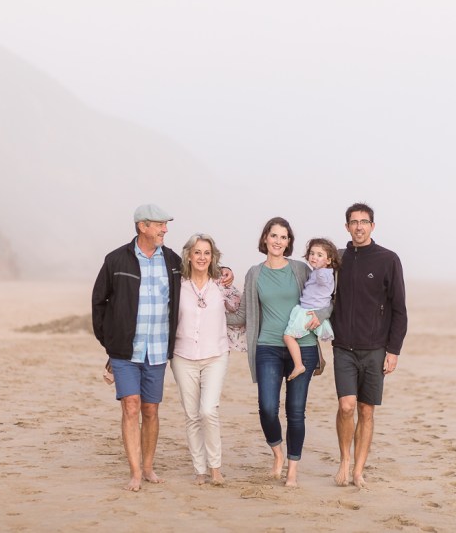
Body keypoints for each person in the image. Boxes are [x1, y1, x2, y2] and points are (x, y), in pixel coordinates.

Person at [92, 204, 233, 491]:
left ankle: (148, 467)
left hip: (157, 350)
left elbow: (200, 272)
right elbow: (99, 302)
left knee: (150, 409)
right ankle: (135, 472)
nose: (165, 230)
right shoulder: (116, 260)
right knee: (131, 406)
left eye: (165, 225)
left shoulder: (171, 262)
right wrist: (111, 342)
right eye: (160, 225)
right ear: (142, 226)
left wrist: (225, 271)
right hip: (125, 352)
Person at [230, 217, 332, 487]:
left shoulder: (300, 269)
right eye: (274, 235)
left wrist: (321, 316)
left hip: (304, 347)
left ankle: (292, 470)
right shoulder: (255, 273)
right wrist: (210, 312)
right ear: (265, 238)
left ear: (289, 242)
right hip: (268, 347)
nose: (278, 241)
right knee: (267, 407)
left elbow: (326, 299)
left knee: (296, 410)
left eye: (283, 237)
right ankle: (277, 454)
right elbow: (242, 314)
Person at [331, 202, 408, 488]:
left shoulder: (388, 259)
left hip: (375, 348)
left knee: (366, 410)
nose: (359, 227)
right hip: (343, 347)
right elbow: (311, 280)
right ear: (347, 227)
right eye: (354, 222)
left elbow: (399, 309)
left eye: (364, 222)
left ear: (372, 226)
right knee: (347, 406)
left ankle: (358, 471)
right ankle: (344, 460)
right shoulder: (338, 259)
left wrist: (394, 350)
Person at [171, 233, 240, 486]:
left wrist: (228, 274)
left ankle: (215, 467)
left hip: (216, 355)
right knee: (192, 415)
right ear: (189, 255)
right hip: (183, 356)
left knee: (208, 411)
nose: (202, 257)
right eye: (197, 252)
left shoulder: (220, 285)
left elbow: (240, 308)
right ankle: (199, 469)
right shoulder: (178, 285)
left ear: (213, 257)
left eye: (207, 253)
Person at [282, 238, 341, 380]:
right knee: (308, 337)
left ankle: (298, 365)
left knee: (288, 337)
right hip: (309, 310)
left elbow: (323, 281)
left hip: (308, 312)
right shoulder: (316, 271)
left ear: (328, 260)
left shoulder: (324, 273)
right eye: (312, 253)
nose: (314, 257)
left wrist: (320, 269)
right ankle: (320, 359)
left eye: (320, 255)